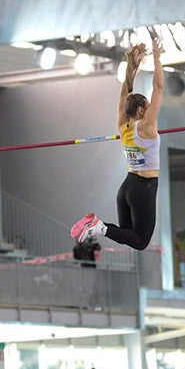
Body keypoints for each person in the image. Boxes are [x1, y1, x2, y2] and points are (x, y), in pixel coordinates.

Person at [71, 38, 164, 251]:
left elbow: (125, 91)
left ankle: (96, 226)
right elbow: (158, 88)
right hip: (144, 189)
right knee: (140, 242)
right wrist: (157, 58)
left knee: (129, 235)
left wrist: (133, 65)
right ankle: (99, 227)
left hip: (128, 187)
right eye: (148, 106)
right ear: (141, 111)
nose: (151, 109)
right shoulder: (146, 126)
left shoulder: (123, 124)